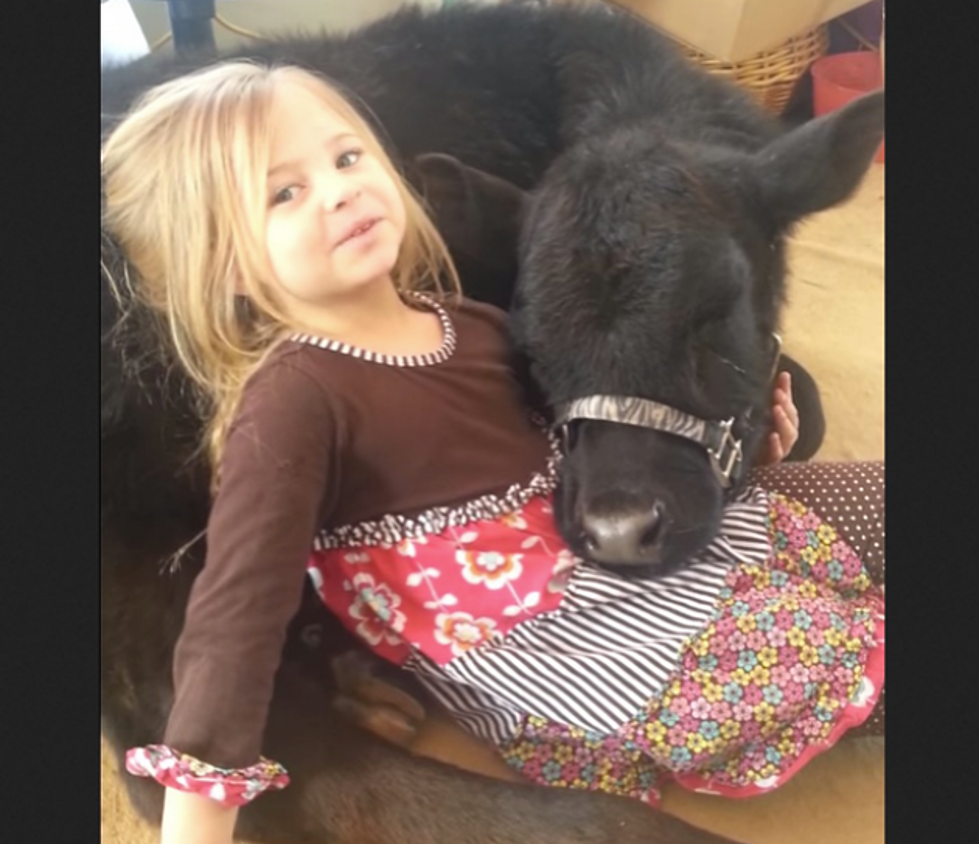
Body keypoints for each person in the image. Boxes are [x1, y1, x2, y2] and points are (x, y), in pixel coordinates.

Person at [101, 61, 884, 843]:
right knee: (833, 652)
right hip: (573, 640)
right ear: (220, 266)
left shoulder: (465, 320)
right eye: (283, 192)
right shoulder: (292, 404)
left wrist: (742, 444)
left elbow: (581, 430)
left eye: (345, 158)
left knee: (866, 498)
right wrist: (195, 819)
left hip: (584, 539)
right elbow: (236, 613)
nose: (338, 190)